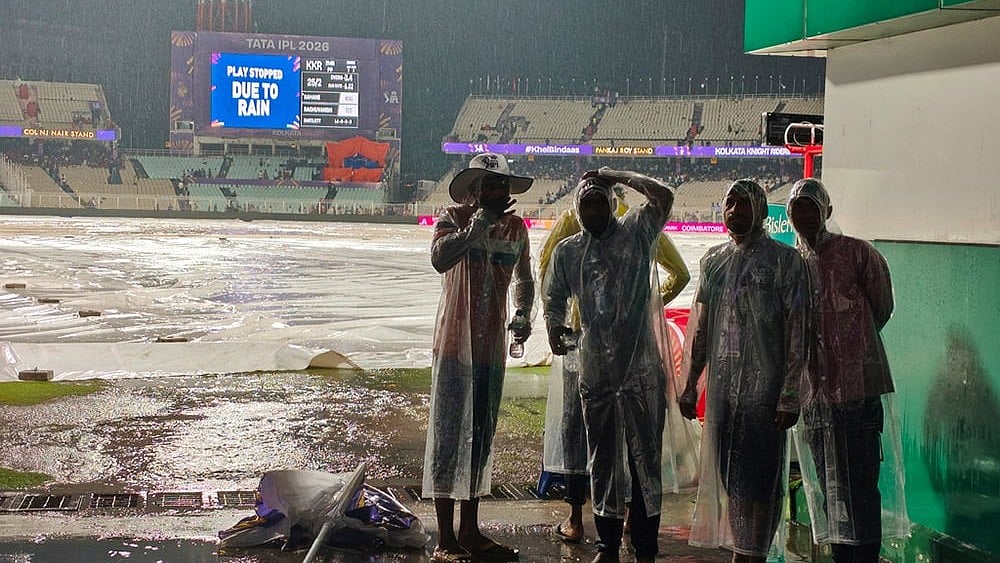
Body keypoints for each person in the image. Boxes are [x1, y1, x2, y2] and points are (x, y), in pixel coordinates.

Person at [538, 183, 692, 545]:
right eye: (586, 204)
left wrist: (645, 305)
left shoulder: (637, 230)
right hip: (591, 357)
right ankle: (609, 535)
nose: (592, 212)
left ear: (610, 199)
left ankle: (635, 536)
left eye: (598, 202)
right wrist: (554, 324)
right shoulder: (572, 245)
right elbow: (553, 289)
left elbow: (664, 197)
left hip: (624, 358)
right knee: (601, 450)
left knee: (630, 452)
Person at [679, 179, 808, 563]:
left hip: (764, 393)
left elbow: (796, 330)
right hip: (724, 393)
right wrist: (691, 385)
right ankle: (743, 549)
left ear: (762, 211)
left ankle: (754, 554)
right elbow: (701, 329)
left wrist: (790, 393)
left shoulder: (785, 262)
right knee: (730, 476)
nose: (734, 211)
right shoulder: (714, 263)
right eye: (729, 203)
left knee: (760, 480)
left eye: (743, 204)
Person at [785, 178, 908, 563]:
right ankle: (842, 556)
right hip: (816, 397)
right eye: (797, 208)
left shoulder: (858, 254)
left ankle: (865, 557)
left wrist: (852, 355)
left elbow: (881, 309)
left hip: (859, 393)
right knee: (830, 486)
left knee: (861, 484)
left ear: (828, 212)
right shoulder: (792, 264)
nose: (804, 215)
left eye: (811, 206)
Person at [422, 153, 534, 563]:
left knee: (481, 438)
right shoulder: (451, 219)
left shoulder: (516, 228)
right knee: (449, 437)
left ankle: (470, 529)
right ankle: (445, 538)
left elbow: (525, 280)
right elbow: (440, 259)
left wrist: (522, 313)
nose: (496, 193)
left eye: (501, 186)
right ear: (472, 191)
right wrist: (480, 223)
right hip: (454, 347)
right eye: (488, 186)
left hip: (489, 351)